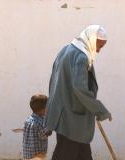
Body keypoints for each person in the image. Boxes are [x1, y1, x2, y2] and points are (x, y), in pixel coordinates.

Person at [44, 25, 112, 160]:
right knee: (67, 154)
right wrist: (99, 110)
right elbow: (79, 89)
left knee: (83, 154)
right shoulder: (80, 57)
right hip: (73, 120)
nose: (98, 50)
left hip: (64, 114)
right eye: (99, 46)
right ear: (91, 39)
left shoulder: (66, 50)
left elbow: (53, 81)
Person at [23, 94, 51, 160]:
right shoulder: (40, 123)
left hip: (27, 153)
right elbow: (43, 135)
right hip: (38, 154)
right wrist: (50, 129)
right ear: (43, 109)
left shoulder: (28, 120)